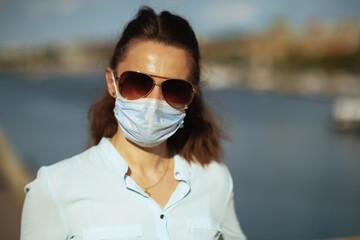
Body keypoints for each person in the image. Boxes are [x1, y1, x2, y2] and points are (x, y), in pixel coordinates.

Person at [20, 7, 247, 240]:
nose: (154, 102)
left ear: (191, 95)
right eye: (137, 82)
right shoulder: (54, 189)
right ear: (112, 82)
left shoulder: (215, 181)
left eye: (175, 89)